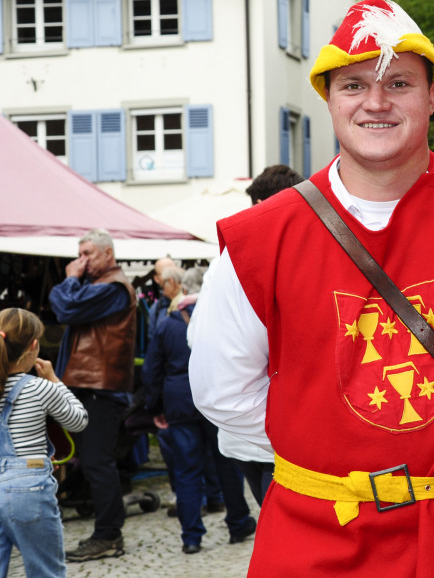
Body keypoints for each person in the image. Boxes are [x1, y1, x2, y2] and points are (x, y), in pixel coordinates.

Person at [189, 0, 434, 576]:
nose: (377, 102)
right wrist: (329, 455)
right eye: (355, 85)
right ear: (329, 99)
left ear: (433, 94)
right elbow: (222, 390)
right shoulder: (262, 238)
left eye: (399, 82)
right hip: (317, 535)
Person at [186, 164, 304, 507]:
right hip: (272, 439)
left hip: (244, 437)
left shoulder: (227, 260)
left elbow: (197, 339)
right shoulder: (242, 257)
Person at [143, 268, 256, 553]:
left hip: (180, 403)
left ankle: (191, 537)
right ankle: (238, 522)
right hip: (215, 397)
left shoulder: (167, 325)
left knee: (186, 471)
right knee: (228, 463)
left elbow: (152, 371)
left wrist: (155, 407)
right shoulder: (219, 317)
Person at [48, 228, 137, 562]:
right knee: (93, 462)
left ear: (108, 254)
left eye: (88, 254)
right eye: (79, 254)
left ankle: (109, 535)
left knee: (99, 463)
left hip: (101, 389)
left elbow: (66, 309)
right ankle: (105, 531)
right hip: (91, 387)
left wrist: (69, 278)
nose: (81, 261)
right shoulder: (101, 286)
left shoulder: (113, 287)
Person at [0, 308, 89, 578]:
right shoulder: (40, 388)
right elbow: (78, 421)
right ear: (34, 346)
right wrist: (55, 381)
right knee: (45, 571)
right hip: (29, 485)